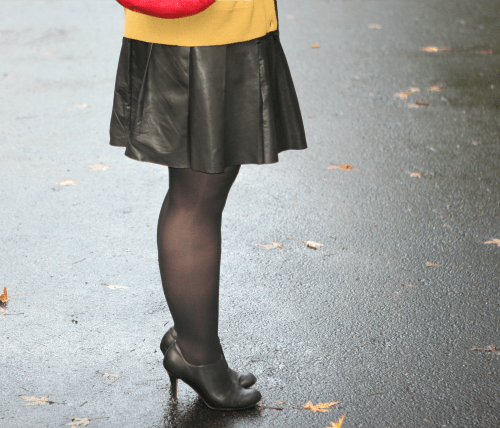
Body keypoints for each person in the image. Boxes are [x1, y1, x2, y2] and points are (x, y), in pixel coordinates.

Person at [109, 0, 307, 411]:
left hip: (202, 25)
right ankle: (197, 355)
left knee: (196, 188)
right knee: (198, 193)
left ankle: (191, 335)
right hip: (208, 31)